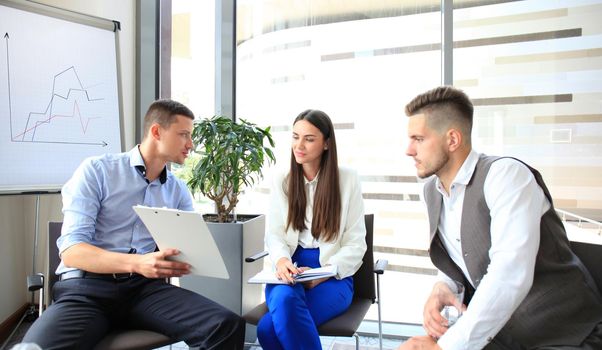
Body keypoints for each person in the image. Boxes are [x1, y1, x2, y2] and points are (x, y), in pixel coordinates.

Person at [23, 99, 245, 349]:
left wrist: (188, 257)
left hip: (144, 290)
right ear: (157, 132)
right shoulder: (97, 171)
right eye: (184, 135)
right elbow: (73, 251)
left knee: (225, 325)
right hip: (86, 289)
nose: (190, 144)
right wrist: (139, 262)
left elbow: (185, 250)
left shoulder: (177, 189)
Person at [398, 86, 602, 350]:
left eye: (418, 139)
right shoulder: (432, 192)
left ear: (452, 139)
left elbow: (510, 271)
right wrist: (443, 284)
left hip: (566, 335)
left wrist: (444, 348)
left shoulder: (506, 176)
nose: (408, 150)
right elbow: (462, 252)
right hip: (499, 335)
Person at [257, 109, 367, 349]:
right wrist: (282, 261)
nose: (299, 145)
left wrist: (324, 273)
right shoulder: (282, 179)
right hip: (290, 268)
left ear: (326, 143)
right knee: (281, 309)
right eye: (295, 137)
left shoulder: (347, 179)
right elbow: (274, 234)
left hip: (333, 274)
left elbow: (356, 243)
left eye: (309, 138)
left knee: (268, 329)